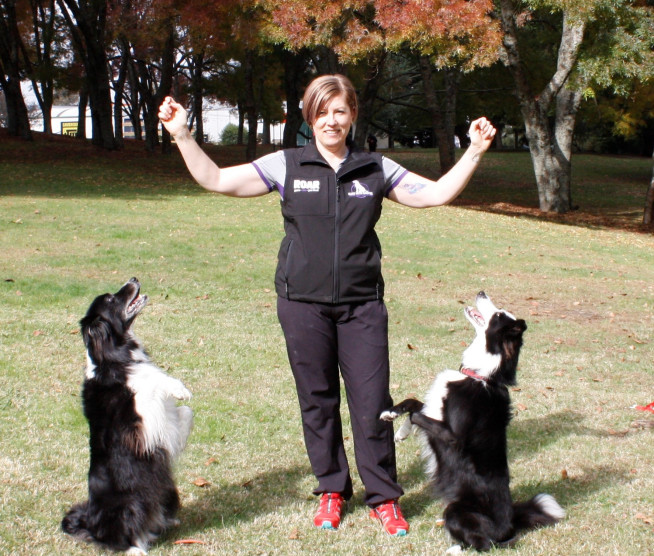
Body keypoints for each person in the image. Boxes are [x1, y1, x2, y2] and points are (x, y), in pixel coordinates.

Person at [158, 74, 496, 537]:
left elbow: (435, 193)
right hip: (301, 305)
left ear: (352, 115)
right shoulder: (286, 165)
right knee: (317, 401)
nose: (331, 120)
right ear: (309, 116)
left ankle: (384, 496)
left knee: (372, 402)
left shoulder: (375, 168)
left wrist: (474, 151)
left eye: (340, 111)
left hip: (362, 307)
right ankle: (332, 489)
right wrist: (182, 134)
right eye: (322, 111)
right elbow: (215, 179)